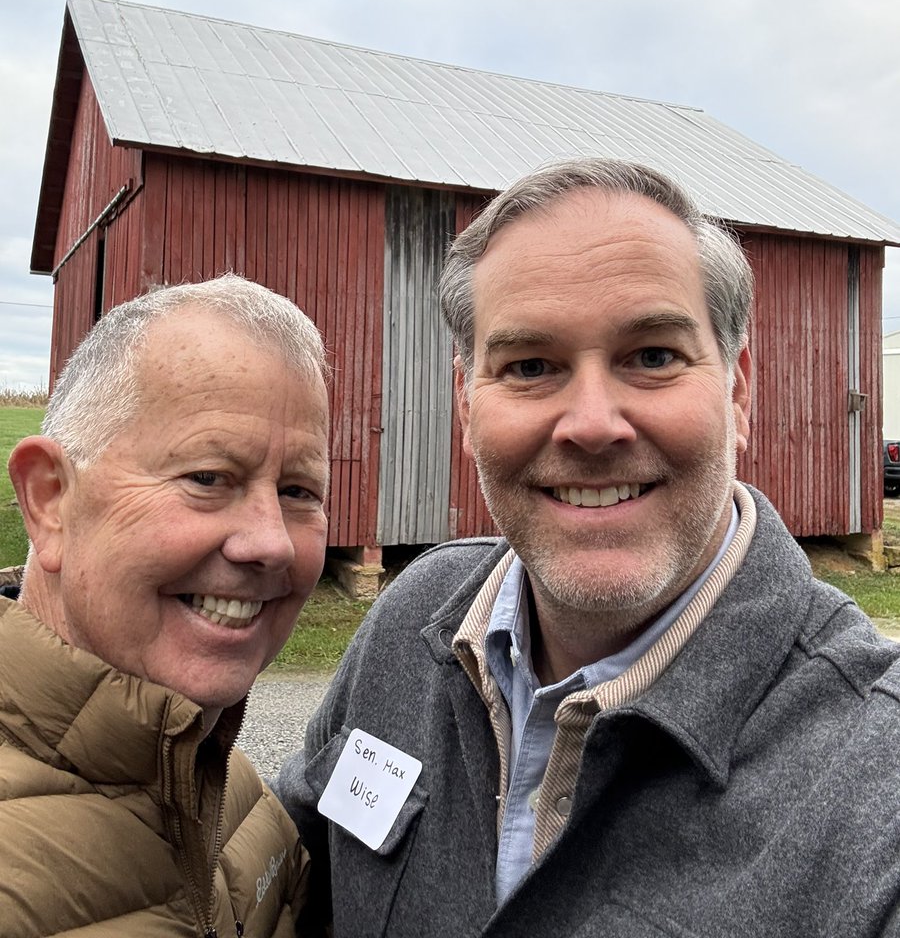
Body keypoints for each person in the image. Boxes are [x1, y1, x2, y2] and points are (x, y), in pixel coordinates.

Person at [278, 159, 900, 938]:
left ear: (739, 393)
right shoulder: (413, 623)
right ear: (467, 406)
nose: (593, 423)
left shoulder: (877, 775)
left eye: (652, 356)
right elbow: (272, 883)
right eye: (531, 367)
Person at [1, 274, 330, 937]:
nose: (270, 543)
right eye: (208, 478)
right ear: (50, 501)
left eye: (299, 490)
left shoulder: (236, 793)